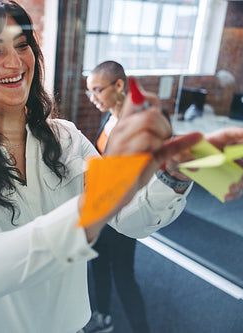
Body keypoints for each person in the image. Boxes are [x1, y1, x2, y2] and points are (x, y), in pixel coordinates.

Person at [0, 1, 243, 332]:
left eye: (22, 45)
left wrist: (172, 174)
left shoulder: (66, 138)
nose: (15, 61)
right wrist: (105, 195)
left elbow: (129, 218)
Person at [82, 61, 151, 333]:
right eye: (90, 92)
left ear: (119, 85)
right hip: (101, 209)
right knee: (97, 265)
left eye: (97, 90)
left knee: (124, 276)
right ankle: (103, 317)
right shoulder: (110, 116)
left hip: (123, 212)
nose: (92, 98)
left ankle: (141, 328)